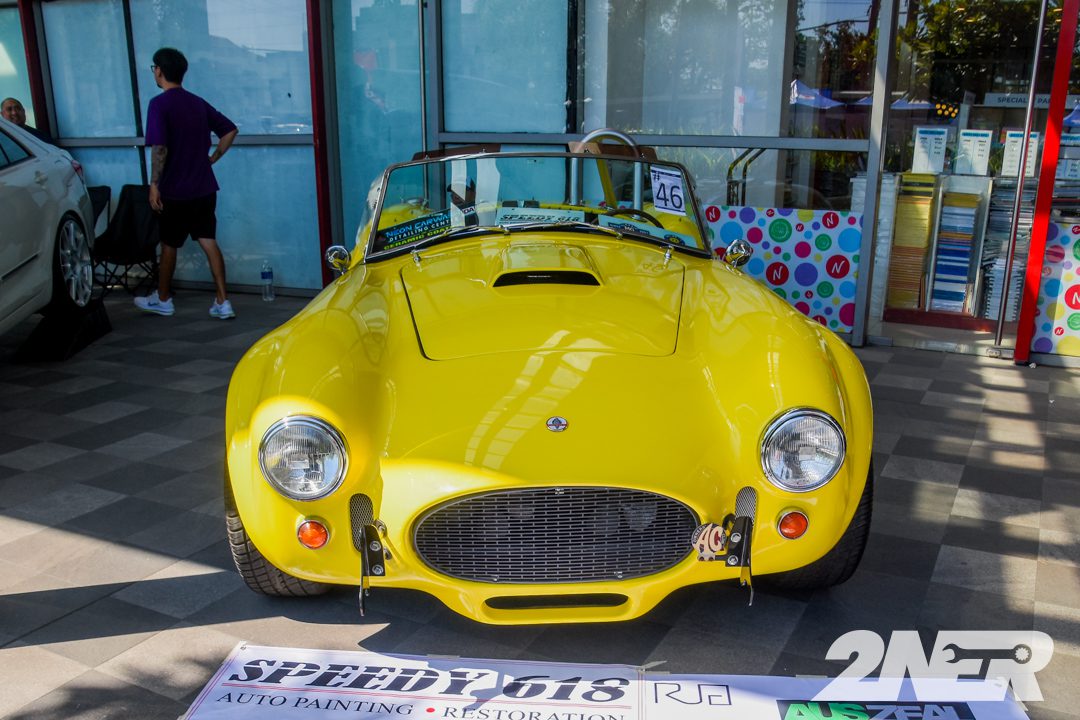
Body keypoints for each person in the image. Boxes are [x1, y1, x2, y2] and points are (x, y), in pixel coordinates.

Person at [135, 47, 238, 319]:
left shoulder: (159, 104)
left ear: (159, 70)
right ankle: (223, 301)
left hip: (174, 190)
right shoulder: (197, 103)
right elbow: (230, 130)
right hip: (204, 187)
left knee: (169, 244)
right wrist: (213, 157)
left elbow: (159, 148)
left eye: (154, 69)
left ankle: (163, 299)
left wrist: (154, 184)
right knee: (208, 240)